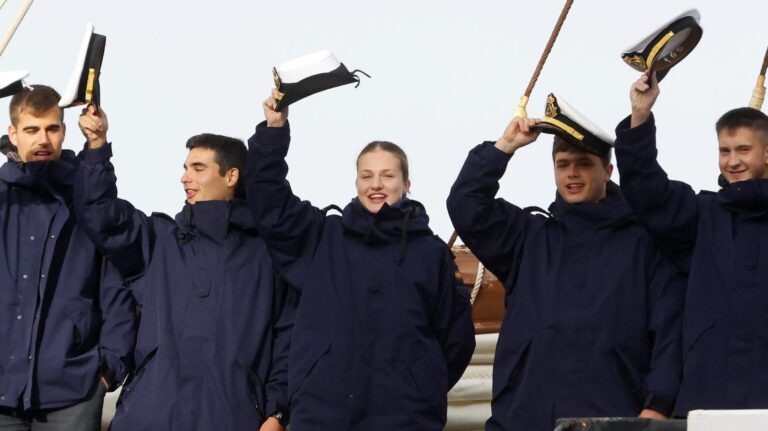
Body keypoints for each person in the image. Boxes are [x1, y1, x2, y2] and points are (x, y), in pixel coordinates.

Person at [446, 96, 685, 431]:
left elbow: (669, 334)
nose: (572, 173)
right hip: (523, 420)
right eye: (563, 163)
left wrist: (657, 407)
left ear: (608, 171)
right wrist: (505, 146)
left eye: (584, 163)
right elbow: (466, 204)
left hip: (610, 419)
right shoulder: (527, 239)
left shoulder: (644, 247)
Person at [247, 89, 475, 431]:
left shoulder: (432, 253)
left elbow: (456, 339)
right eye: (367, 176)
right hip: (323, 415)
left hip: (406, 417)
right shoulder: (322, 238)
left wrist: (419, 381)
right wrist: (274, 129)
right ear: (356, 182)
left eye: (387, 175)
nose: (376, 184)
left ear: (406, 183)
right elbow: (270, 202)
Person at [74, 105, 293, 431]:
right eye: (185, 168)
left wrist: (276, 413)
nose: (185, 177)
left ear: (231, 176)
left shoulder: (266, 255)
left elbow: (287, 339)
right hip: (150, 416)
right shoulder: (157, 240)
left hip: (231, 418)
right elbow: (101, 214)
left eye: (198, 168)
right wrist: (96, 145)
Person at [614, 71, 768, 415]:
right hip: (707, 403)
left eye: (743, 149)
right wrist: (640, 116)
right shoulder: (703, 216)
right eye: (724, 150)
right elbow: (647, 192)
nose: (732, 160)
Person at [0, 85, 135, 431]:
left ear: (63, 130)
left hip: (73, 390)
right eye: (32, 129)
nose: (43, 139)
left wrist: (108, 370)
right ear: (12, 134)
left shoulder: (89, 199)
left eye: (52, 128)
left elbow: (116, 285)